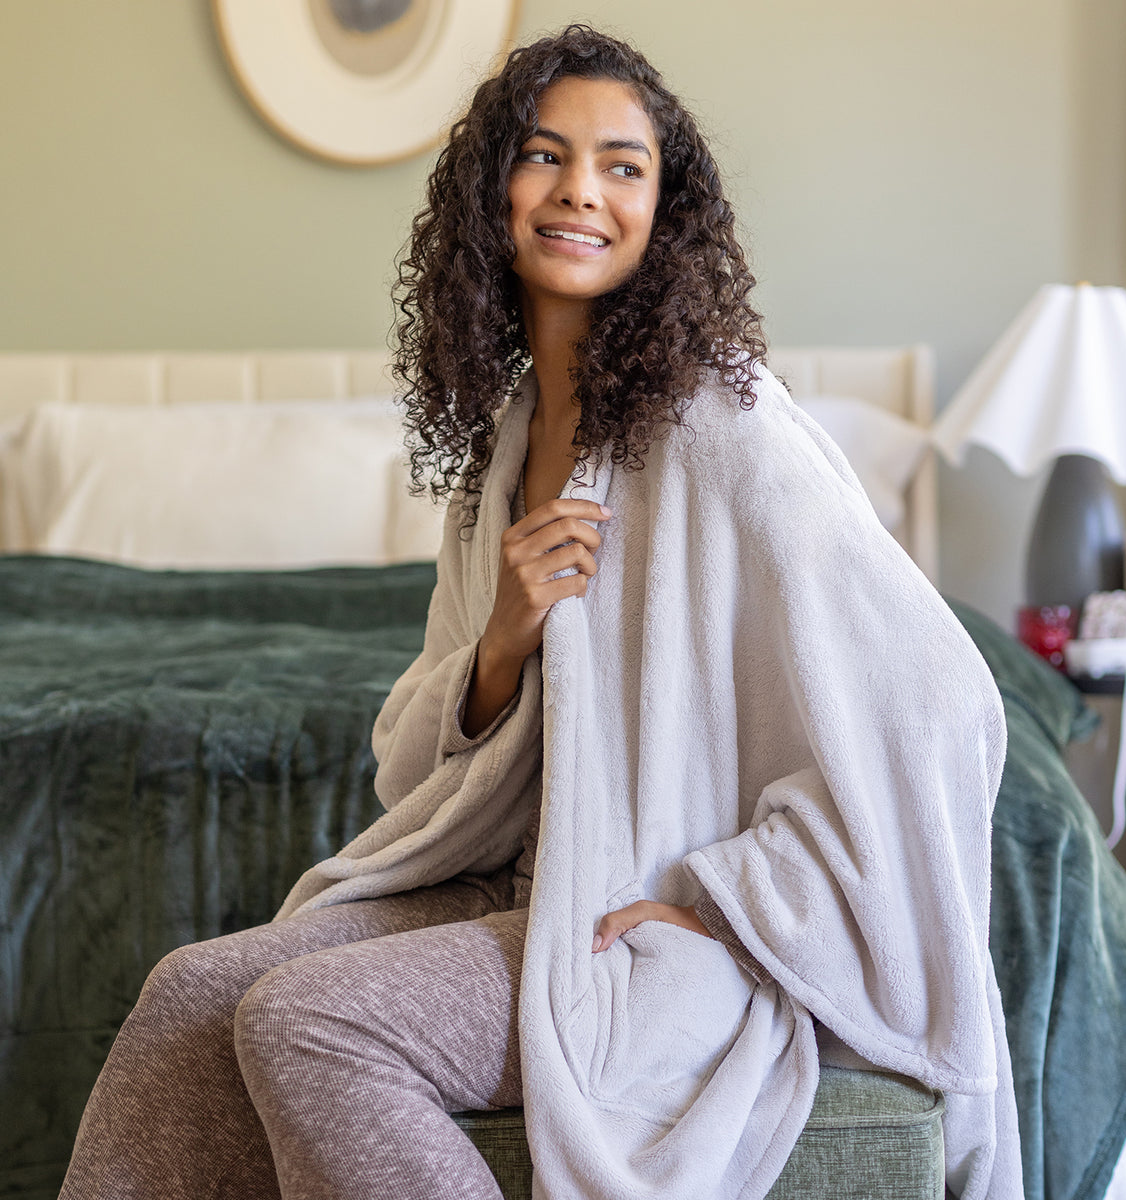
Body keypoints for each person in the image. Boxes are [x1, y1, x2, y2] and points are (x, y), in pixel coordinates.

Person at [59, 25, 1019, 1200]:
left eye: (624, 166)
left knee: (311, 1023)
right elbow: (413, 774)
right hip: (510, 883)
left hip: (622, 924)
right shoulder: (504, 451)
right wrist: (503, 640)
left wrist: (731, 908)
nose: (581, 191)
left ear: (665, 212)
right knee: (188, 994)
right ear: (491, 193)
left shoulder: (723, 426)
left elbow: (942, 704)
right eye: (545, 156)